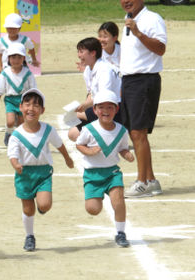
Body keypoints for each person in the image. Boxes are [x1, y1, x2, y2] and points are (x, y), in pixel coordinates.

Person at [8, 88, 74, 251]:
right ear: (21, 107)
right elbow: (13, 154)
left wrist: (67, 158)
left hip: (43, 173)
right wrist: (16, 164)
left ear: (42, 110)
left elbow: (59, 144)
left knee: (45, 205)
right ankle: (29, 236)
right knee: (28, 208)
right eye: (27, 104)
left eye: (36, 106)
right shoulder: (16, 134)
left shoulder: (48, 129)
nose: (31, 108)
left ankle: (41, 208)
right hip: (24, 175)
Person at [76, 90, 135, 247]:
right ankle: (98, 198)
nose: (106, 111)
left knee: (118, 201)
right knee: (93, 209)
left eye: (110, 107)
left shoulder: (121, 130)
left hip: (112, 173)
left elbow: (122, 148)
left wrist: (127, 154)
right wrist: (89, 151)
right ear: (95, 110)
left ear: (116, 110)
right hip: (92, 174)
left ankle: (121, 233)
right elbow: (79, 144)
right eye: (101, 107)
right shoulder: (88, 129)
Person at [120, 0, 167, 198]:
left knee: (139, 132)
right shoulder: (129, 18)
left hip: (144, 80)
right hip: (130, 81)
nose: (126, 1)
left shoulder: (152, 19)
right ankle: (150, 180)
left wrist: (139, 33)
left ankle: (141, 182)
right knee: (134, 132)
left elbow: (160, 48)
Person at [68, 37, 121, 142]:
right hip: (98, 107)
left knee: (76, 115)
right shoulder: (88, 70)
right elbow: (90, 93)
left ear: (93, 53)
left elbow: (104, 98)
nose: (79, 55)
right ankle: (102, 138)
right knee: (73, 134)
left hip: (112, 109)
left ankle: (111, 135)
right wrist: (85, 105)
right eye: (78, 51)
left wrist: (83, 108)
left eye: (82, 51)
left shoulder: (105, 70)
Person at [0, 43, 36, 146]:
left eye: (19, 57)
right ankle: (8, 132)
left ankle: (19, 139)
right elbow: (0, 88)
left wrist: (33, 102)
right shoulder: (5, 73)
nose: (16, 60)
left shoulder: (28, 73)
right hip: (10, 100)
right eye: (13, 57)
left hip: (23, 101)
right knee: (10, 122)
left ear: (23, 58)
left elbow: (33, 88)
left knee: (21, 123)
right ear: (8, 58)